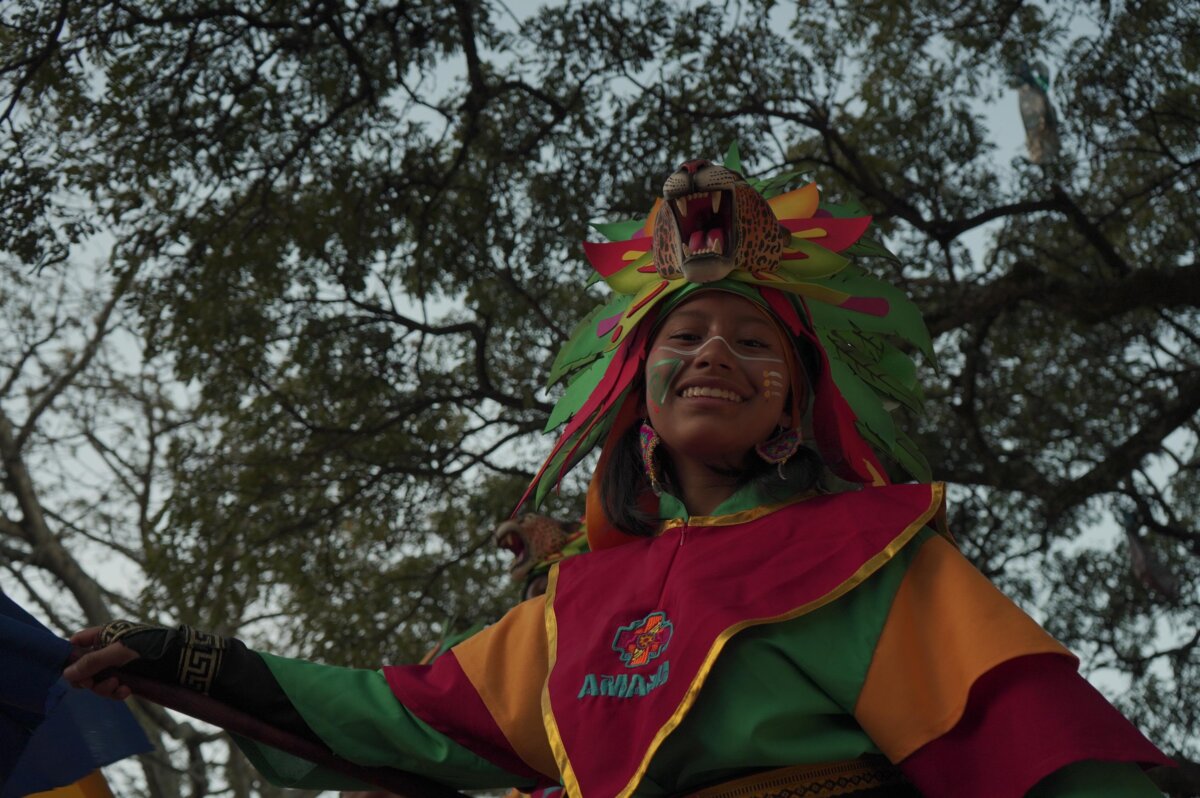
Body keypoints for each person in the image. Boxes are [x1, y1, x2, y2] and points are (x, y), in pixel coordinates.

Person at [65, 155, 1171, 797]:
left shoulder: (871, 555)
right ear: (640, 385)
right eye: (685, 336)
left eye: (754, 342)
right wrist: (193, 659)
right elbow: (412, 716)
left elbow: (1044, 750)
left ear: (795, 398)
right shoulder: (578, 603)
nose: (714, 356)